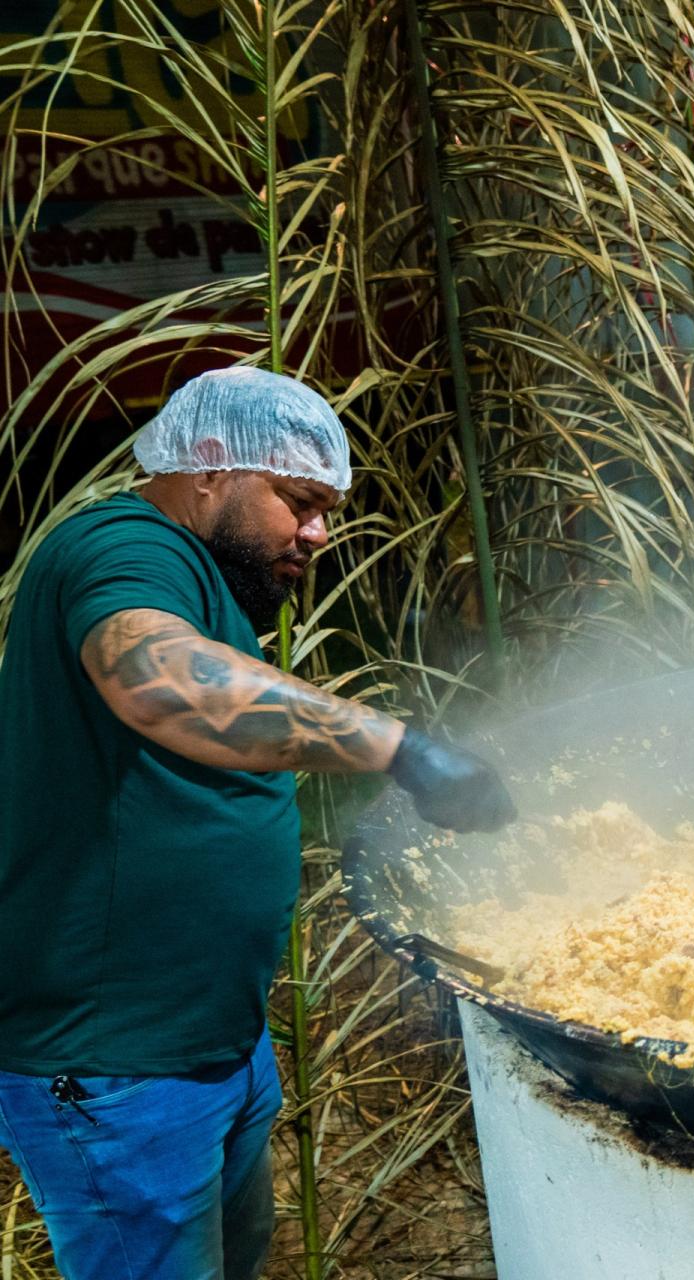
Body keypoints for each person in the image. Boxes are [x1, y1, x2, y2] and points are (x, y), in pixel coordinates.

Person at [0, 367, 516, 1280]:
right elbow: (157, 680)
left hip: (209, 1046)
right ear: (208, 468)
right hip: (118, 1067)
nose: (317, 533)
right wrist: (402, 750)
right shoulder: (119, 546)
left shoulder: (203, 572)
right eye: (298, 501)